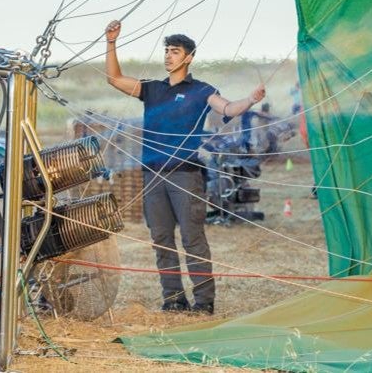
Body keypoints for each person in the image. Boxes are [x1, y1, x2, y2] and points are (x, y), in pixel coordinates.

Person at [104, 20, 264, 314]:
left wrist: (251, 100)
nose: (168, 56)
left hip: (185, 176)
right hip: (153, 177)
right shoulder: (152, 89)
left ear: (188, 57)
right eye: (166, 51)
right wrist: (111, 42)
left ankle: (204, 302)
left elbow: (227, 108)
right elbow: (114, 78)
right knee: (161, 240)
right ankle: (173, 299)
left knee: (193, 239)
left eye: (175, 51)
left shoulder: (201, 90)